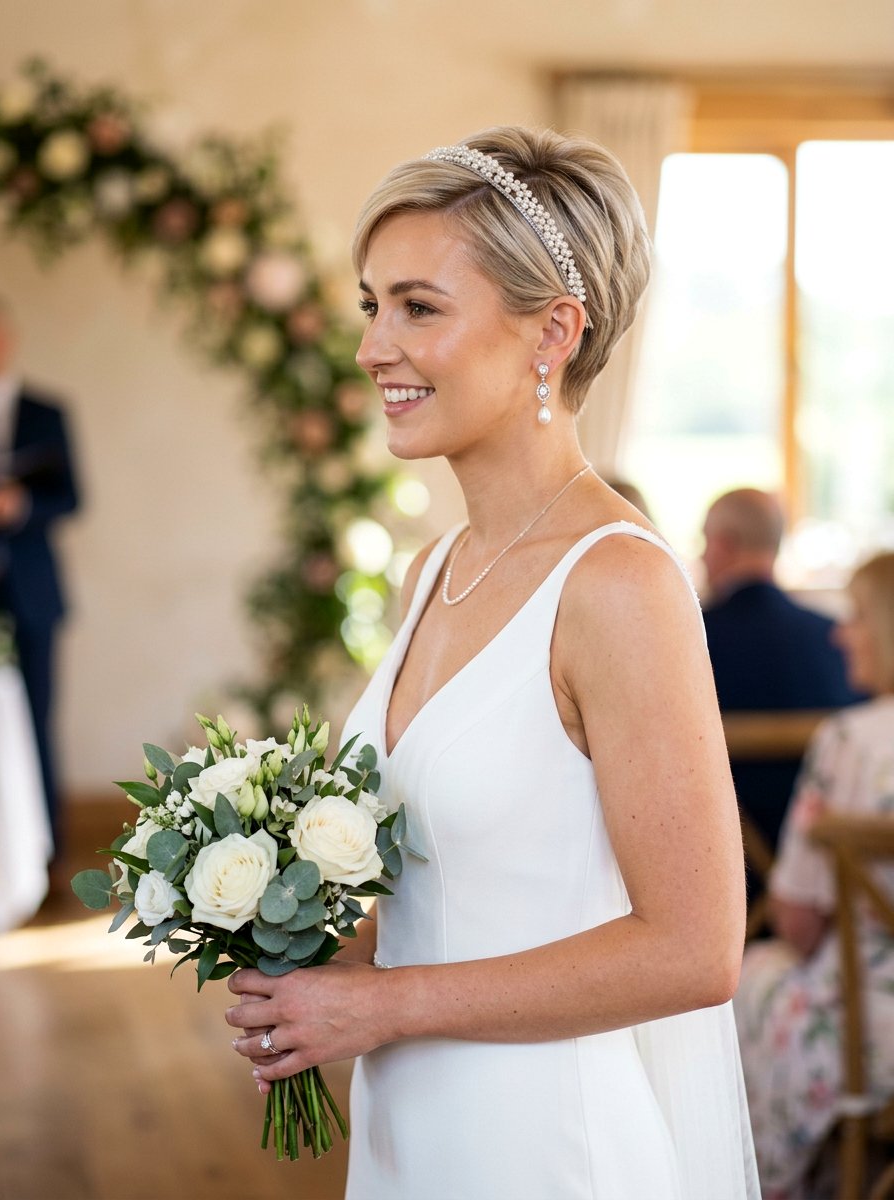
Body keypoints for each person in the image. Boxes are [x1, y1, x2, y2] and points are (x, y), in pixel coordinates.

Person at [226, 126, 759, 1198]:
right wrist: (309, 963)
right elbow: (437, 869)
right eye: (371, 305)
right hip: (411, 1134)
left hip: (551, 1146)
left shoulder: (618, 584)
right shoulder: (432, 570)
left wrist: (382, 1005)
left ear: (550, 333)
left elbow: (695, 948)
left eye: (418, 307)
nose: (376, 344)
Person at [734, 551, 894, 1200]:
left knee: (750, 976)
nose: (837, 632)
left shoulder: (853, 742)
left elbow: (798, 921)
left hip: (876, 1030)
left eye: (855, 615)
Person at [701, 488, 859, 857]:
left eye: (704, 542)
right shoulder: (837, 639)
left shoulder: (690, 639)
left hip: (722, 860)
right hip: (830, 859)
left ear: (723, 545)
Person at [0, 297, 80, 855]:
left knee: (35, 718)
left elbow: (72, 498)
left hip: (31, 593)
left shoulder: (45, 412)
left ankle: (43, 851)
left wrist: (19, 506)